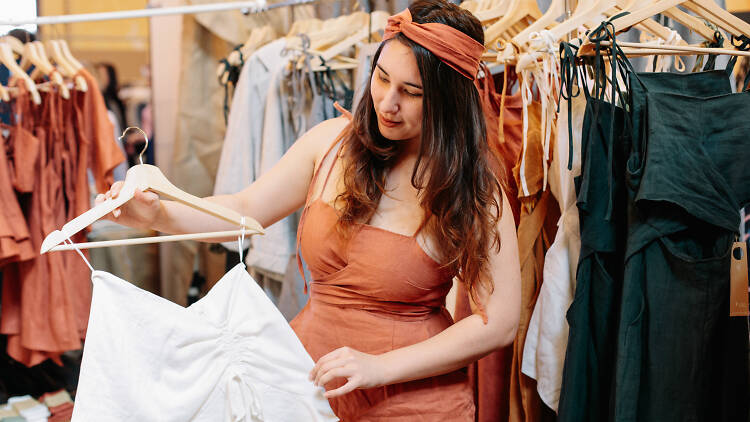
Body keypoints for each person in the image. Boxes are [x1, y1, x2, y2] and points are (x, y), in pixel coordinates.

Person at [97, 0, 521, 419]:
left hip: (413, 403)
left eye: (411, 92)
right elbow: (245, 210)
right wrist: (158, 217)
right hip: (305, 387)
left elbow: (498, 322)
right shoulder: (332, 143)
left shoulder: (475, 190)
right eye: (382, 78)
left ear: (449, 102)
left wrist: (380, 368)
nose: (387, 102)